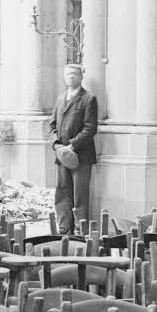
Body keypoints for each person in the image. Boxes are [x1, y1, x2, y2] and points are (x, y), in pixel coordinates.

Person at [48, 63, 98, 235]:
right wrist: (56, 145)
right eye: (68, 74)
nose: (71, 76)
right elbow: (52, 125)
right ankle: (64, 227)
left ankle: (80, 229)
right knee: (62, 191)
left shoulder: (89, 99)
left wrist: (72, 146)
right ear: (64, 77)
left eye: (75, 74)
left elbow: (90, 128)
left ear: (81, 77)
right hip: (62, 155)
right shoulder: (60, 99)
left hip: (81, 156)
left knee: (80, 194)